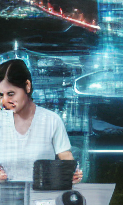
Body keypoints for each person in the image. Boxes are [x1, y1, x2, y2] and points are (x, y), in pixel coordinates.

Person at [0, 56, 81, 184]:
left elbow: (66, 158)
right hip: (5, 197)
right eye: (0, 95)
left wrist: (72, 174)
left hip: (42, 197)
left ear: (27, 86)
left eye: (10, 94)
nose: (4, 101)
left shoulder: (51, 120)